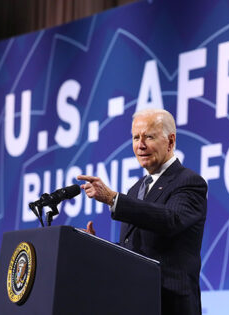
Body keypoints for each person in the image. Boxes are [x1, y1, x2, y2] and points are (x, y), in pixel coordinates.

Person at [77, 108, 207, 315]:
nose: (140, 145)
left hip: (170, 304)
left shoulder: (189, 182)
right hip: (136, 300)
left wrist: (113, 198)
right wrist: (95, 245)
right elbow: (132, 250)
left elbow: (170, 220)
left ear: (171, 141)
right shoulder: (136, 189)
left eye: (149, 137)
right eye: (136, 138)